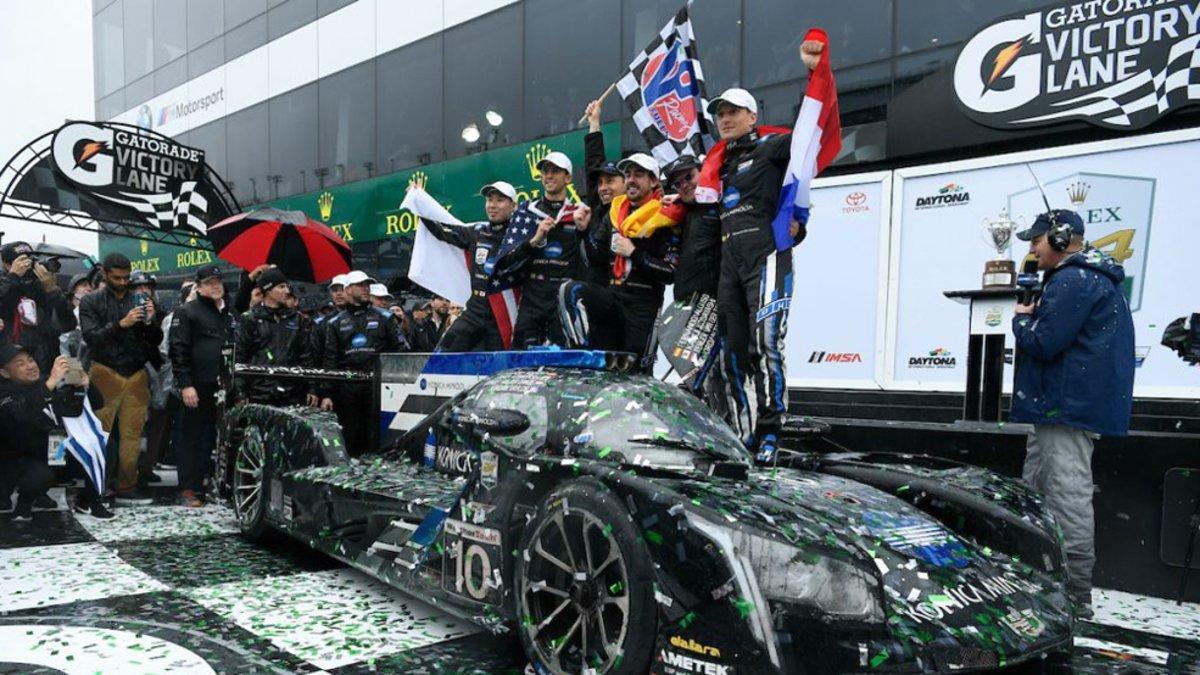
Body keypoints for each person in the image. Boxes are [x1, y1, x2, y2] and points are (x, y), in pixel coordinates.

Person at [702, 39, 825, 462]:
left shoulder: (771, 148)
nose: (725, 118)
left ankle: (773, 430)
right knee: (732, 351)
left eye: (733, 111)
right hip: (728, 267)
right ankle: (744, 432)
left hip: (766, 257)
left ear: (753, 116)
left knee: (765, 342)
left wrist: (815, 73)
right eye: (720, 113)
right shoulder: (717, 167)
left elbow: (811, 138)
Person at [1011, 209, 1136, 620]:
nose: (1032, 248)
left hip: (1065, 406)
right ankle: (1038, 581)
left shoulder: (1073, 280)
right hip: (1060, 404)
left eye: (1037, 240)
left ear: (1062, 239)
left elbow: (1045, 343)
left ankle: (1076, 595)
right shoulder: (1087, 278)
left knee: (1066, 497)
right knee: (1036, 490)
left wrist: (1021, 322)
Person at [564, 154, 680, 371]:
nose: (631, 180)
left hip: (643, 307)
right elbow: (595, 258)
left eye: (638, 174)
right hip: (613, 299)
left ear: (654, 181)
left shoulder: (666, 214)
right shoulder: (616, 212)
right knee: (569, 291)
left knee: (636, 375)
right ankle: (581, 358)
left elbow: (669, 273)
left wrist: (634, 253)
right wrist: (583, 231)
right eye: (627, 175)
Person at [79, 253, 162, 505]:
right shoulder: (90, 301)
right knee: (101, 434)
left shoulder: (140, 298)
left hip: (136, 372)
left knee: (132, 436)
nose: (124, 281)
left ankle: (127, 485)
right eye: (117, 277)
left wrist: (149, 321)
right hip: (104, 371)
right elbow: (91, 337)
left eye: (127, 277)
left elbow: (155, 341)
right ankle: (97, 487)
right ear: (104, 274)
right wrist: (121, 324)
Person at [417, 181, 520, 352]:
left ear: (513, 206)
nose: (492, 205)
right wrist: (419, 201)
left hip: (503, 311)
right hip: (475, 308)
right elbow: (440, 229)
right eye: (489, 200)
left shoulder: (521, 235)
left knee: (500, 368)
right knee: (442, 355)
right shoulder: (477, 231)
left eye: (500, 200)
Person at [496, 151, 580, 348]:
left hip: (562, 298)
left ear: (568, 177)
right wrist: (534, 240)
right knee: (520, 362)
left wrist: (583, 231)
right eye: (545, 171)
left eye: (555, 171)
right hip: (532, 297)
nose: (548, 175)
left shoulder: (578, 214)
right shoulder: (526, 212)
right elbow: (506, 261)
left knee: (563, 365)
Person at [169, 265, 237, 507]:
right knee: (192, 437)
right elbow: (178, 350)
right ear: (198, 286)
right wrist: (186, 385)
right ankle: (188, 488)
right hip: (197, 385)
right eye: (209, 282)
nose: (216, 285)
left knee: (216, 438)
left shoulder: (228, 313)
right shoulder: (186, 311)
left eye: (218, 281)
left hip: (224, 387)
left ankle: (210, 484)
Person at [322, 270, 409, 455]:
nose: (365, 289)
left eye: (367, 285)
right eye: (360, 285)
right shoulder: (335, 323)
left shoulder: (385, 317)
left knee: (379, 439)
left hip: (379, 389)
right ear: (348, 290)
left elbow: (403, 350)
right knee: (351, 439)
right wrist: (327, 393)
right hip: (347, 391)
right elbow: (330, 359)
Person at [235, 268, 316, 405]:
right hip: (258, 393)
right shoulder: (249, 319)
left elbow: (306, 356)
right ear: (267, 290)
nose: (287, 291)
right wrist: (240, 392)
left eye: (287, 286)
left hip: (293, 393)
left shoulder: (298, 319)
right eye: (281, 287)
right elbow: (239, 356)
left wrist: (312, 388)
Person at [0, 343, 62, 520]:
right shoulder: (4, 393)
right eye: (20, 364)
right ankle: (17, 500)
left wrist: (82, 384)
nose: (30, 366)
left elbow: (96, 403)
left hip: (44, 451)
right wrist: (50, 384)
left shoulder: (44, 383)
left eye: (31, 360)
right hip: (10, 459)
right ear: (4, 372)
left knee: (103, 446)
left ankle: (34, 496)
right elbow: (22, 416)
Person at [0, 241, 77, 374]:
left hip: (49, 364)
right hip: (13, 368)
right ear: (7, 265)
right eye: (23, 261)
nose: (28, 265)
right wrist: (13, 278)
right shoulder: (4, 285)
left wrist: (52, 290)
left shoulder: (42, 285)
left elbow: (68, 325)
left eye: (31, 260)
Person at [129, 270, 166, 487]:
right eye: (138, 289)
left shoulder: (160, 313)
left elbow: (159, 342)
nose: (143, 293)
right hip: (132, 375)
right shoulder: (124, 312)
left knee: (156, 423)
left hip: (156, 374)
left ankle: (147, 466)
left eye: (147, 288)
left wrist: (151, 321)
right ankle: (129, 469)